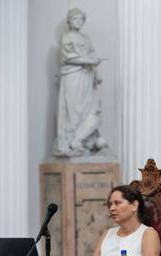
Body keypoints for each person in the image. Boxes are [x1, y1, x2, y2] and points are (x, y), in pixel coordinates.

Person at [53, 8, 108, 157]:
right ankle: (70, 141)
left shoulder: (86, 38)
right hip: (73, 76)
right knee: (73, 110)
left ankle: (82, 141)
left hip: (87, 77)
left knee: (88, 109)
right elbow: (68, 57)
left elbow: (91, 55)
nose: (78, 21)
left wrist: (96, 73)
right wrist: (89, 61)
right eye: (74, 19)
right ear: (69, 21)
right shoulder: (66, 37)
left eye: (80, 19)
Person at [86, 185, 160, 256]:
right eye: (110, 204)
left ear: (134, 205)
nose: (112, 208)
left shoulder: (148, 233)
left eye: (117, 203)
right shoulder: (108, 233)